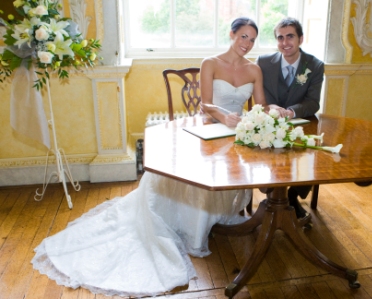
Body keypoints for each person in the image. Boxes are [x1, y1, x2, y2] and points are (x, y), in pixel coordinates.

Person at [31, 17, 267, 298]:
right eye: (243, 36)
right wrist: (223, 116)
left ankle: (218, 214)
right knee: (203, 167)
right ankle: (194, 224)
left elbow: (260, 105)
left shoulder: (255, 69)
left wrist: (256, 120)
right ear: (231, 34)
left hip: (237, 131)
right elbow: (205, 103)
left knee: (243, 164)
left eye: (252, 39)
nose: (247, 43)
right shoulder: (211, 63)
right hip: (209, 125)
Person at [257, 17, 325, 220]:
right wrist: (271, 107)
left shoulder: (315, 65)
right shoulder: (263, 63)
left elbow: (313, 102)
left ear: (300, 39)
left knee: (310, 155)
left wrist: (291, 112)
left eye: (290, 37)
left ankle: (293, 196)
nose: (285, 43)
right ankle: (272, 194)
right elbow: (259, 95)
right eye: (280, 38)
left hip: (301, 123)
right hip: (269, 122)